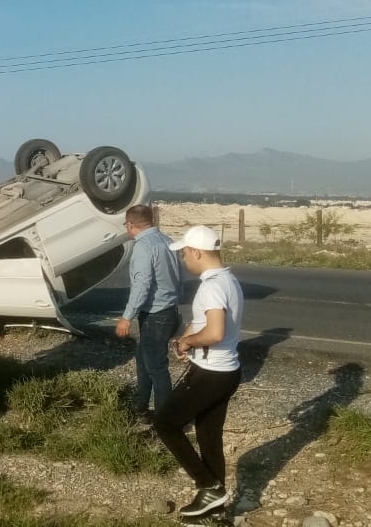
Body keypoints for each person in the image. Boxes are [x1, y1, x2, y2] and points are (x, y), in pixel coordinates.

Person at [153, 225, 245, 518]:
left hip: (211, 374)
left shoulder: (212, 286)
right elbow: (202, 322)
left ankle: (208, 486)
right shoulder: (228, 280)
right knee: (208, 434)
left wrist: (191, 341)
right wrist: (185, 342)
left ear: (196, 252)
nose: (183, 261)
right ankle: (215, 506)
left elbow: (215, 332)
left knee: (166, 423)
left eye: (184, 255)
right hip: (227, 370)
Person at [115, 204, 183, 422]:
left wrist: (127, 316)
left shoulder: (144, 246)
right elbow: (179, 277)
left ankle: (165, 420)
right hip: (169, 309)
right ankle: (140, 407)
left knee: (156, 366)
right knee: (143, 359)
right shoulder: (167, 241)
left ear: (130, 224)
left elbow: (142, 285)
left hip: (156, 314)